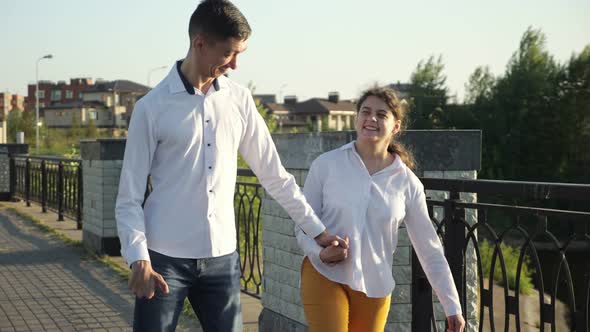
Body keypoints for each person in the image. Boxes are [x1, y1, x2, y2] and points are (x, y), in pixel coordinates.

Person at [115, 1, 346, 331]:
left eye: (240, 54)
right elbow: (129, 197)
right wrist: (138, 259)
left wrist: (319, 232)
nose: (235, 64)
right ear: (200, 43)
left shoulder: (239, 100)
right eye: (228, 53)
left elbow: (274, 176)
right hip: (162, 259)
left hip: (222, 259)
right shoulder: (151, 109)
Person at [295, 87, 466, 332]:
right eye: (365, 111)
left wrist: (452, 307)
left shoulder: (408, 183)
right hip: (323, 274)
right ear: (357, 118)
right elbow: (302, 225)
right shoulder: (326, 165)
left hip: (375, 286)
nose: (371, 118)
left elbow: (430, 249)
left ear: (396, 126)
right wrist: (319, 253)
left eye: (381, 114)